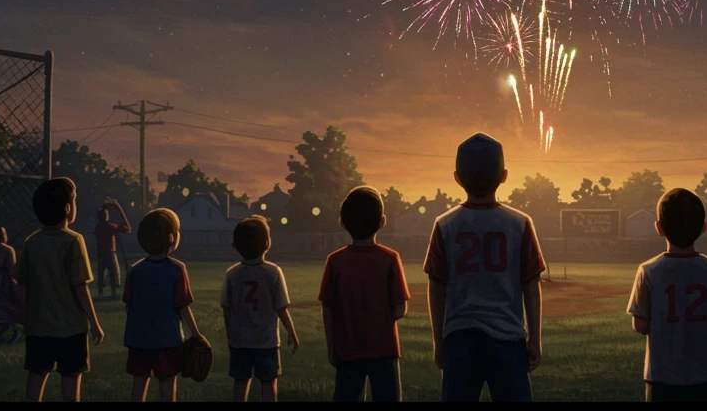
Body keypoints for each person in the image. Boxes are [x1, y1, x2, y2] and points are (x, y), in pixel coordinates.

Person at [423, 133, 546, 402]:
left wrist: (439, 341)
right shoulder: (520, 222)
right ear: (504, 175)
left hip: (460, 337)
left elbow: (436, 285)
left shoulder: (445, 224)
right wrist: (535, 339)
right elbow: (531, 286)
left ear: (457, 177)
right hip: (508, 338)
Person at [627, 188, 707, 403]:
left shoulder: (648, 270)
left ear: (659, 228)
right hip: (705, 375)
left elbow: (640, 325)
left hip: (661, 375)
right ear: (704, 228)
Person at [19, 177, 105, 403]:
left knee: (35, 382)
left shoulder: (31, 242)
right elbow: (80, 287)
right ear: (68, 208)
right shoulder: (74, 241)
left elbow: (23, 285)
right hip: (71, 330)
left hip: (38, 328)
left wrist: (24, 318)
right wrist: (95, 324)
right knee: (70, 387)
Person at [320, 187, 410, 403]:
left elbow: (328, 308)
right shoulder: (390, 258)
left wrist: (332, 348)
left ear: (342, 222)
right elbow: (399, 309)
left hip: (348, 350)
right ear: (382, 221)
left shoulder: (335, 261)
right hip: (384, 350)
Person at [123, 208, 203, 402]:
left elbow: (128, 305)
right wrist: (196, 334)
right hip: (167, 339)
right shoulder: (177, 269)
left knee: (139, 383)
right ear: (171, 237)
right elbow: (183, 306)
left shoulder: (135, 270)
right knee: (167, 383)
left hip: (139, 339)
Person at [222, 215, 300, 402]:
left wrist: (230, 334)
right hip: (267, 342)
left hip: (240, 341)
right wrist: (292, 333)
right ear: (267, 242)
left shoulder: (232, 274)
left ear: (235, 245)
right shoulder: (273, 272)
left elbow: (226, 308)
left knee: (240, 382)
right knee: (268, 383)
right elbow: (281, 308)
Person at [94, 200, 132, 299]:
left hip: (101, 253)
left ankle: (101, 292)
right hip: (110, 253)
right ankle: (112, 292)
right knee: (113, 273)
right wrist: (118, 208)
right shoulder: (110, 227)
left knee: (102, 273)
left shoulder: (97, 227)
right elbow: (128, 229)